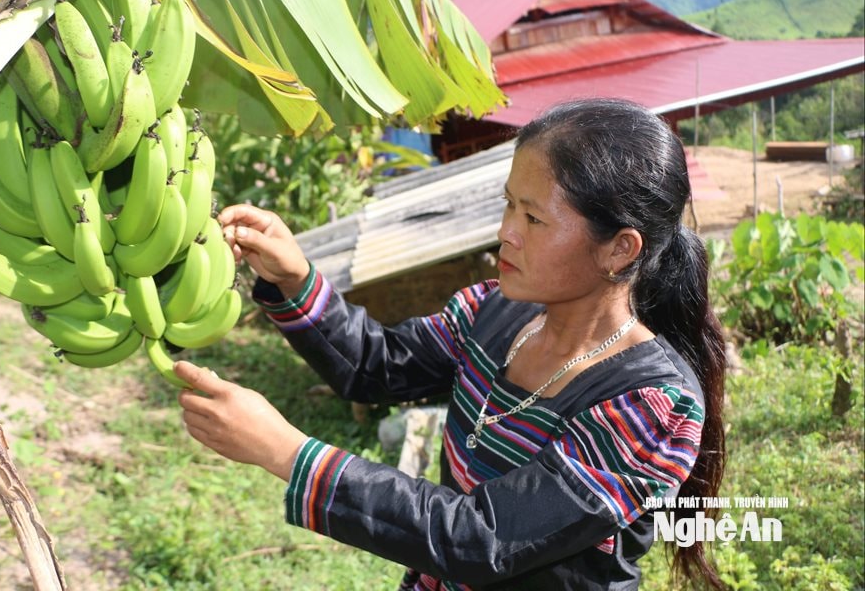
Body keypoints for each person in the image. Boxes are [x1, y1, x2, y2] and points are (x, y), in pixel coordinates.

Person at [174, 97, 728, 590]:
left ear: (619, 250)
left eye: (533, 217)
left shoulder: (651, 407)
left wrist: (287, 452)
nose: (506, 232)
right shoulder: (493, 312)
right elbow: (375, 366)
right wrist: (295, 280)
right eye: (510, 204)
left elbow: (482, 537)